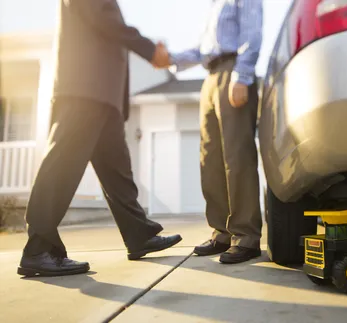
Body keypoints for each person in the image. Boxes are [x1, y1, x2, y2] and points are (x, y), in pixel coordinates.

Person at [17, 0, 181, 277]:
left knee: (117, 169)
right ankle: (38, 249)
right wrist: (149, 49)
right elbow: (104, 18)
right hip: (85, 87)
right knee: (63, 164)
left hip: (103, 93)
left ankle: (139, 234)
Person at [166, 0, 263, 264]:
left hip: (232, 73)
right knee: (211, 160)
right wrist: (171, 59)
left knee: (237, 157)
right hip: (210, 78)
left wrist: (242, 75)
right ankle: (222, 232)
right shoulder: (214, 6)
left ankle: (246, 237)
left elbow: (252, 33)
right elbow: (202, 50)